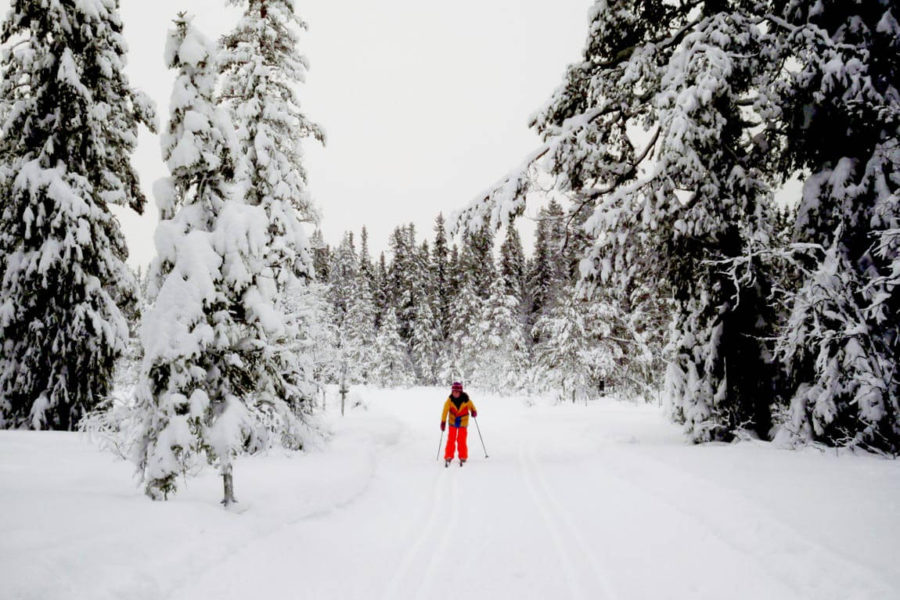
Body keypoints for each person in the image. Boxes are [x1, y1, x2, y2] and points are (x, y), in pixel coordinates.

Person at [440, 382, 477, 467]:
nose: (455, 393)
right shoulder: (449, 400)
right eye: (454, 392)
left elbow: (472, 407)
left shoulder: (466, 400)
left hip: (463, 422)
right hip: (452, 422)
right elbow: (445, 411)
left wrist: (474, 412)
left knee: (461, 440)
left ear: (460, 392)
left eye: (457, 392)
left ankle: (463, 456)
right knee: (451, 439)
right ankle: (449, 455)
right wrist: (443, 422)